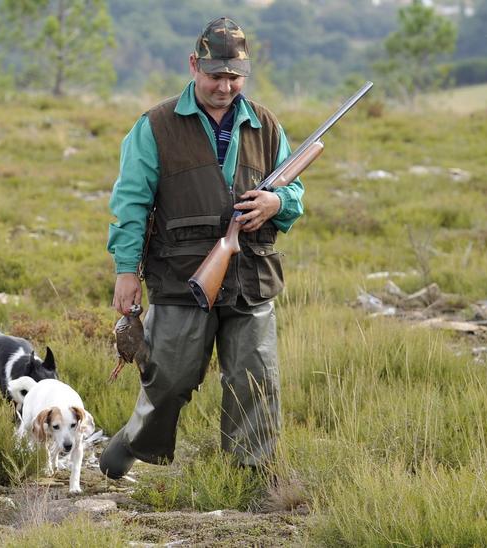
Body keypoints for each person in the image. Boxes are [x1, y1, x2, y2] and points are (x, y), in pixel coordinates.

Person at [101, 16, 304, 478]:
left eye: (235, 76)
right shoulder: (155, 126)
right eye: (216, 75)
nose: (225, 86)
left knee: (254, 379)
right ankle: (136, 440)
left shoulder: (267, 125)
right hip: (180, 275)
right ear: (194, 65)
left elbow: (295, 193)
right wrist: (126, 271)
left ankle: (250, 472)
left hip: (251, 274)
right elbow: (131, 204)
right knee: (169, 377)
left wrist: (276, 201)